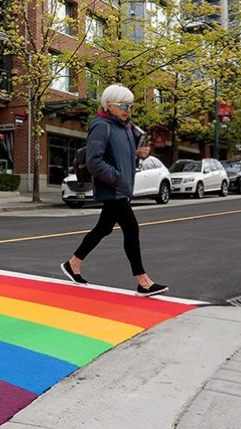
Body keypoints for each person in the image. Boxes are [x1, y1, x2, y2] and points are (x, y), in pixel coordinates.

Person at [61, 84, 168, 297]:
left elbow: (122, 156)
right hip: (112, 188)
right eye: (123, 105)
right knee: (131, 228)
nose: (128, 110)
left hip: (122, 188)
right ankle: (143, 281)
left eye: (130, 106)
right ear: (109, 105)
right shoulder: (101, 125)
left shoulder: (126, 127)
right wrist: (117, 178)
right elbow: (94, 161)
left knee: (103, 228)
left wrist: (140, 154)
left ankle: (73, 264)